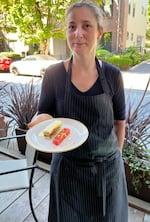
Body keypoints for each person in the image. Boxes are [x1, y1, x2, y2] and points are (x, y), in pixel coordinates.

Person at [28, 1, 128, 221]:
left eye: (86, 26)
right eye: (72, 26)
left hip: (107, 174)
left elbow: (120, 121)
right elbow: (43, 114)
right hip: (68, 173)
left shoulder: (112, 75)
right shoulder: (54, 74)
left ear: (100, 32)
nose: (78, 33)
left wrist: (116, 157)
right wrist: (40, 120)